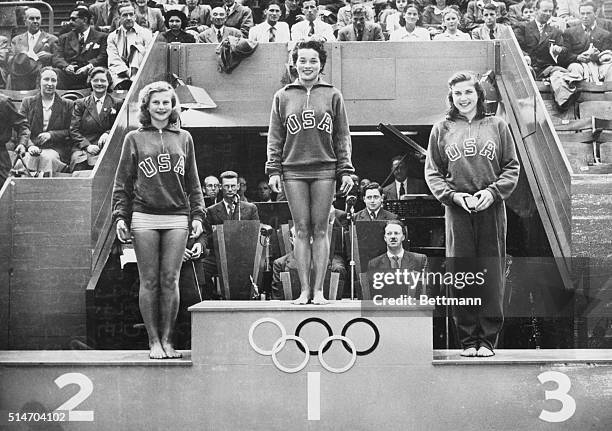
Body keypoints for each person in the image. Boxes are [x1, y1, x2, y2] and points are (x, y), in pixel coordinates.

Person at [425, 71, 520, 357]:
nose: (463, 98)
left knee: (491, 273)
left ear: (478, 94)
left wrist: (491, 193)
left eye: (468, 92)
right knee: (461, 273)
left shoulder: (498, 125)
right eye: (457, 94)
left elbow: (511, 167)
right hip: (457, 209)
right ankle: (467, 341)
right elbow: (433, 173)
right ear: (451, 97)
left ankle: (488, 340)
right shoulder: (441, 129)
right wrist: (454, 196)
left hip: (491, 207)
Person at [112, 81, 205, 359]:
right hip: (144, 216)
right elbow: (122, 183)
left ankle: (168, 339)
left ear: (173, 105)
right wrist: (120, 216)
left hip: (177, 216)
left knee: (170, 280)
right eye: (157, 103)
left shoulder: (185, 138)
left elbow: (194, 182)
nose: (162, 107)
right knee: (149, 281)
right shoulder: (134, 138)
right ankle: (153, 341)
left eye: (167, 102)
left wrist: (198, 214)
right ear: (147, 106)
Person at [266, 40, 354, 304]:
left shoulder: (333, 94)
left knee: (321, 229)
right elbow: (275, 137)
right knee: (301, 230)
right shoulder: (282, 96)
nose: (307, 65)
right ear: (294, 63)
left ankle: (319, 291)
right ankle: (304, 290)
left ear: (321, 65)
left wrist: (345, 170)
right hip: (292, 170)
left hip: (325, 168)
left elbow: (342, 136)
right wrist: (273, 170)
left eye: (313, 60)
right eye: (302, 60)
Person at [202, 170, 259, 298]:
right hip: (218, 256)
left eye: (233, 186)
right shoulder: (211, 211)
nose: (230, 189)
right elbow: (207, 236)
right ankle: (213, 298)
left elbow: (255, 232)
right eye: (227, 186)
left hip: (243, 256)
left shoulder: (250, 208)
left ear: (238, 187)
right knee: (202, 268)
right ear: (221, 187)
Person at [18, 67, 74, 175]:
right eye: (46, 79)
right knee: (30, 158)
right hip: (33, 145)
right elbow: (21, 127)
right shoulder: (28, 102)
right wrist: (29, 146)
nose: (50, 83)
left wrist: (51, 135)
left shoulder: (67, 104)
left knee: (48, 158)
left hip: (57, 148)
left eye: (53, 80)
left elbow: (71, 130)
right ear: (39, 81)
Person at [70, 67, 121, 171]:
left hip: (107, 146)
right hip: (83, 147)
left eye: (103, 80)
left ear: (108, 82)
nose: (99, 83)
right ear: (90, 82)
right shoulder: (80, 104)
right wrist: (87, 146)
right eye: (95, 80)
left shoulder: (117, 103)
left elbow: (120, 126)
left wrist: (108, 133)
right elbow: (73, 130)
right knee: (79, 162)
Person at [367, 219, 428, 295]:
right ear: (385, 238)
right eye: (389, 234)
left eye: (396, 233)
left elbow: (426, 291)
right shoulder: (374, 264)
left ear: (403, 237)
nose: (393, 237)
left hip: (411, 305)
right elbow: (372, 294)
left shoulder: (420, 260)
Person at [53, 7, 108, 90]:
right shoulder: (64, 38)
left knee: (100, 72)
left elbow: (102, 57)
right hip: (69, 74)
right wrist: (66, 66)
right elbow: (57, 57)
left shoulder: (102, 37)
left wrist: (88, 67)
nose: (70, 22)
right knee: (52, 72)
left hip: (90, 73)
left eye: (73, 19)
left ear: (85, 20)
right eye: (70, 19)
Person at [8, 8, 58, 91]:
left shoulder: (52, 39)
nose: (35, 21)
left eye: (38, 18)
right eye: (31, 18)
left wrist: (49, 57)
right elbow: (9, 60)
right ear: (25, 21)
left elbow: (57, 58)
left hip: (40, 77)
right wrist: (22, 56)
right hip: (20, 77)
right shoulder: (16, 40)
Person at [562, 1, 612, 82]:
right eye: (582, 13)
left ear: (595, 14)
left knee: (610, 69)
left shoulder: (605, 34)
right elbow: (565, 54)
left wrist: (598, 57)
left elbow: (607, 55)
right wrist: (578, 57)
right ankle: (578, 94)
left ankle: (607, 93)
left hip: (598, 65)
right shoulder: (569, 32)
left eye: (588, 13)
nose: (585, 16)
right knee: (575, 68)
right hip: (578, 64)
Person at [515, 0, 566, 78]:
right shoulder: (523, 28)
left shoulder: (556, 32)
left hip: (547, 69)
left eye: (550, 11)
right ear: (536, 10)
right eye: (545, 11)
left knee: (560, 76)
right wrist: (524, 56)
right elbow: (515, 46)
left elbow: (564, 50)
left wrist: (560, 49)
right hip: (528, 67)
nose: (548, 14)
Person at [106, 4, 153, 89]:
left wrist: (135, 74)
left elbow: (149, 58)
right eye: (124, 15)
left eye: (131, 14)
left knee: (138, 48)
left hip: (141, 73)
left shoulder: (146, 33)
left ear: (135, 16)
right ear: (119, 17)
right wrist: (128, 73)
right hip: (120, 74)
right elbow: (114, 58)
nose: (128, 18)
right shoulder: (113, 36)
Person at [0, 94, 30, 185]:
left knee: (5, 190)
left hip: (0, 156)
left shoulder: (3, 102)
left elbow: (22, 125)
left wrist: (22, 143)